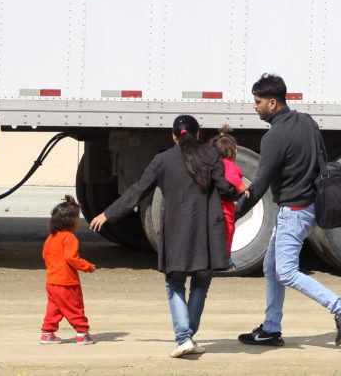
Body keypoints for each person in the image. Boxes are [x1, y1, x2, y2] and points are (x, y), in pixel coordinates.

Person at [89, 115, 238, 358]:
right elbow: (224, 188)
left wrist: (108, 214)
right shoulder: (211, 156)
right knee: (201, 282)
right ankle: (187, 336)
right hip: (207, 234)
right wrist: (240, 192)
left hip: (177, 232)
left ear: (173, 136)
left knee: (175, 284)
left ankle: (184, 338)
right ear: (198, 134)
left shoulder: (162, 160)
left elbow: (138, 190)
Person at [235, 73, 341, 348]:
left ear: (272, 103)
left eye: (257, 102)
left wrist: (232, 216)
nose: (254, 106)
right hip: (307, 205)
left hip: (295, 210)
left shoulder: (273, 138)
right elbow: (321, 160)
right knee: (271, 267)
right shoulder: (307, 121)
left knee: (287, 272)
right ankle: (270, 328)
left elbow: (258, 186)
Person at [40, 195, 96, 345]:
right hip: (67, 282)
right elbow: (71, 258)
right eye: (78, 218)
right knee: (75, 307)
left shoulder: (51, 238)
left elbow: (45, 255)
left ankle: (47, 333)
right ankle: (82, 333)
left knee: (54, 308)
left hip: (51, 282)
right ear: (71, 222)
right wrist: (87, 267)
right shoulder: (69, 238)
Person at [210, 124, 247, 268]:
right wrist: (243, 188)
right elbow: (233, 178)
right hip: (226, 207)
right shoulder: (229, 165)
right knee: (228, 230)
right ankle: (226, 258)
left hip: (214, 205)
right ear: (232, 152)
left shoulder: (213, 164)